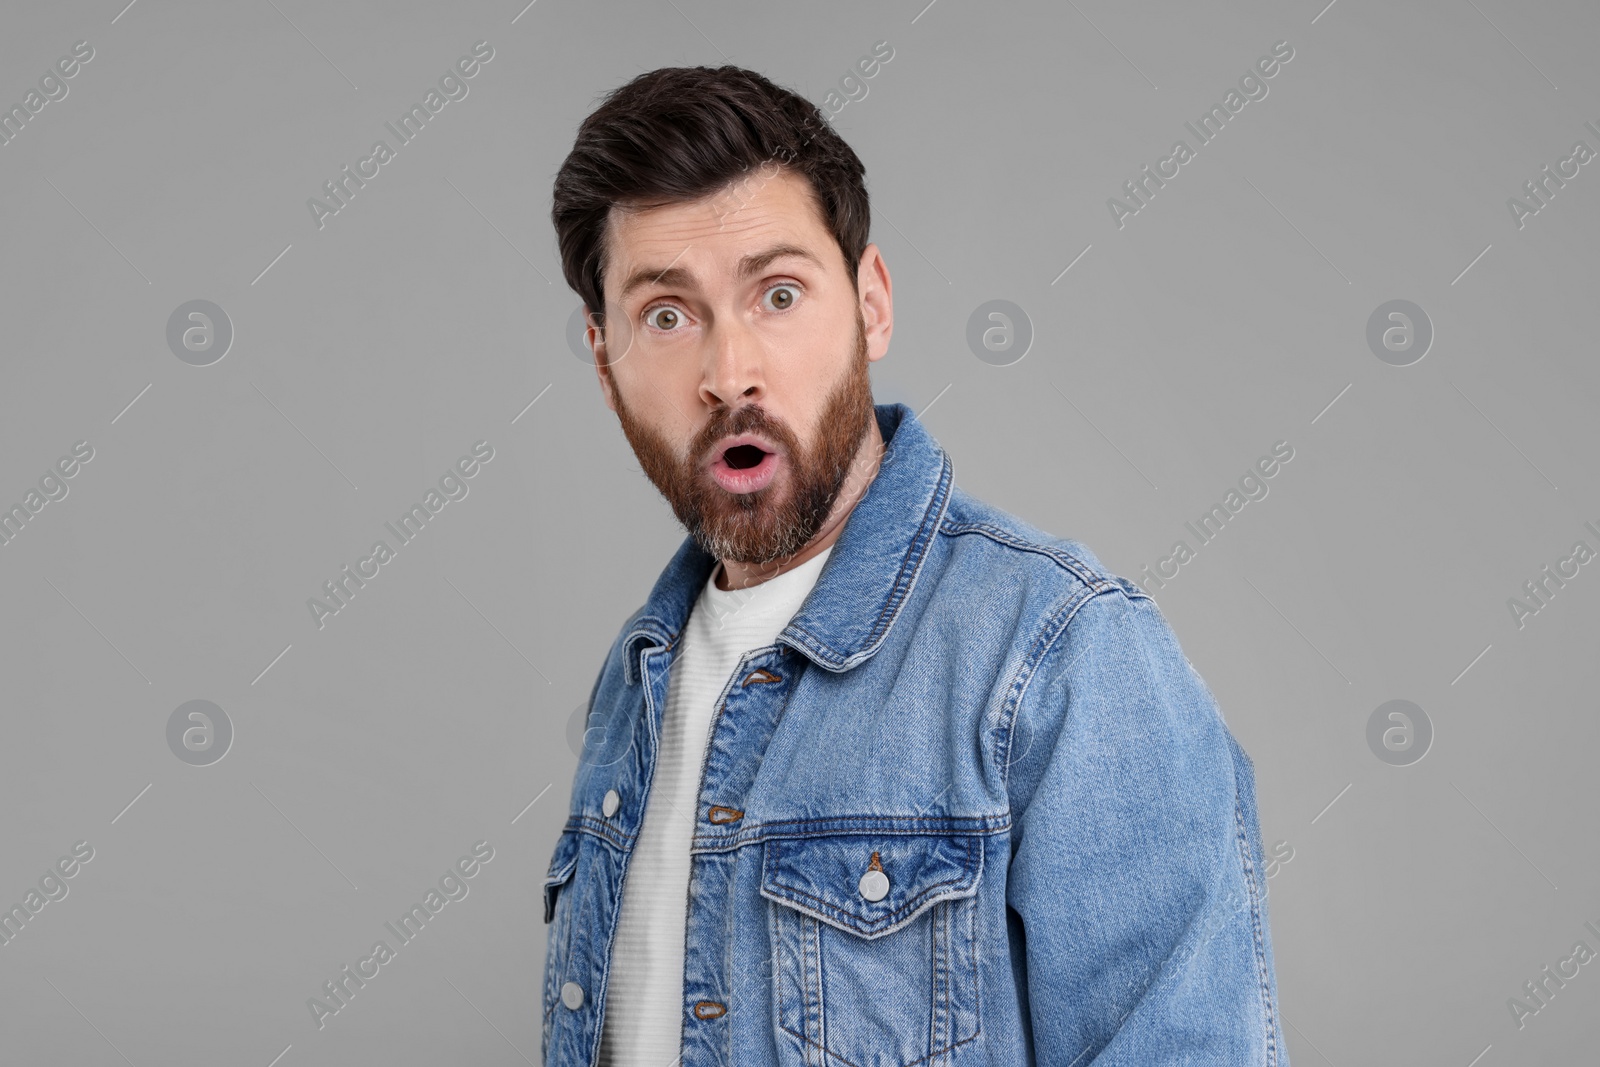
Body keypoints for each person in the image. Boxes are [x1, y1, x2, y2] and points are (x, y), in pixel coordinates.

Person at [540, 64, 1289, 1066]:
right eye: (666, 315)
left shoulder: (1060, 654)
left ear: (871, 304)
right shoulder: (634, 679)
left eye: (778, 293)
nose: (729, 374)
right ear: (604, 360)